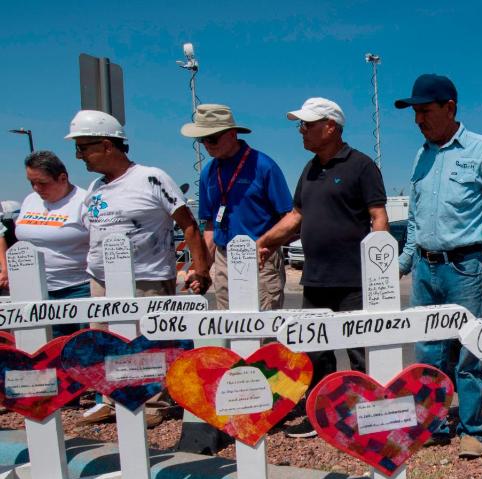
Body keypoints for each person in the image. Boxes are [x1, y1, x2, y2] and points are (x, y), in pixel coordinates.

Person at [394, 74, 482, 459]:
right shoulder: (422, 156)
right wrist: (402, 263)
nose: (418, 119)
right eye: (415, 112)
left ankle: (471, 428)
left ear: (450, 107)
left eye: (425, 111)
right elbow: (415, 220)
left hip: (465, 267)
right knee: (428, 353)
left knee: (471, 351)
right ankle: (433, 424)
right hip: (424, 268)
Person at [66, 110, 212, 427]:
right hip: (102, 280)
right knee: (106, 341)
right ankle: (110, 398)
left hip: (147, 276)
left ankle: (154, 403)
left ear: (106, 145)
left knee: (149, 344)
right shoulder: (95, 187)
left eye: (83, 147)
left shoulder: (151, 179)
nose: (79, 156)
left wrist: (200, 270)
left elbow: (188, 225)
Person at [257, 97, 388, 438]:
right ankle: (324, 416)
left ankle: (367, 420)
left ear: (330, 127)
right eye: (300, 124)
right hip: (316, 280)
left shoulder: (361, 166)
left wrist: (379, 269)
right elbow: (297, 217)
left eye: (307, 124)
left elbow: (378, 217)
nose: (301, 130)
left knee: (360, 352)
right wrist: (266, 241)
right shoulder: (309, 169)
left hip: (355, 280)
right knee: (315, 352)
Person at [181, 104, 293, 310]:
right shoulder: (208, 172)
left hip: (260, 258)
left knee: (263, 328)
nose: (207, 144)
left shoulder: (263, 166)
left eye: (212, 138)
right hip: (224, 257)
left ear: (232, 134)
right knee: (229, 326)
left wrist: (269, 247)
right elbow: (211, 227)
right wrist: (201, 268)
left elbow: (290, 217)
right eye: (201, 139)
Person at [16, 151, 90, 336]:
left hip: (78, 288)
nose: (36, 188)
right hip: (35, 288)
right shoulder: (30, 201)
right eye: (31, 182)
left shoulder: (84, 201)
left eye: (42, 183)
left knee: (81, 349)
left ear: (62, 178)